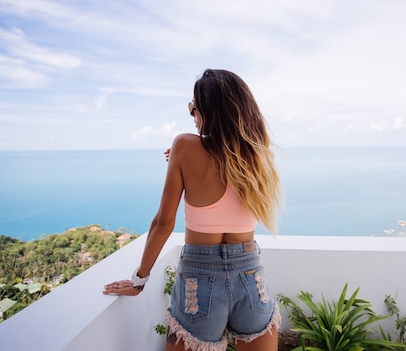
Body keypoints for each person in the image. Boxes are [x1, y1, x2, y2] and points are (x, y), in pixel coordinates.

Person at [103, 69, 283, 351]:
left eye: (193, 109)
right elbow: (223, 165)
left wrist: (139, 281)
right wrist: (180, 157)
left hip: (199, 277)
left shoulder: (185, 146)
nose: (193, 116)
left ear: (208, 110)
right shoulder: (260, 155)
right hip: (250, 273)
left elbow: (163, 224)